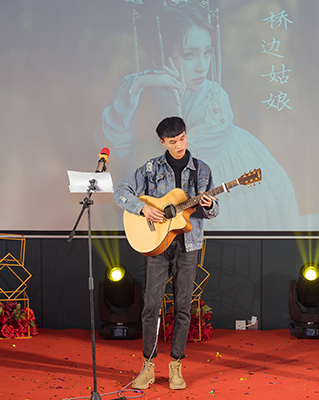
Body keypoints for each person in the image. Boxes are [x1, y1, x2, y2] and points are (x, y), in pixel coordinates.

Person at [99, 1, 300, 231]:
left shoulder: (214, 97)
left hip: (208, 178)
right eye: (189, 55)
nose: (201, 66)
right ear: (158, 57)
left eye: (207, 53)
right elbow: (115, 143)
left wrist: (175, 102)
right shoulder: (137, 87)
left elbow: (187, 155)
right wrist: (140, 85)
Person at [113, 116, 218, 390]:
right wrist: (143, 208)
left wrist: (209, 205)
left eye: (182, 138)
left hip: (188, 245)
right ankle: (148, 366)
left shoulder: (202, 170)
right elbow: (121, 192)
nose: (179, 145)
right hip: (157, 245)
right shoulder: (150, 168)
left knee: (183, 307)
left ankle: (176, 366)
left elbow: (212, 211)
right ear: (162, 142)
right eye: (173, 142)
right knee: (151, 306)